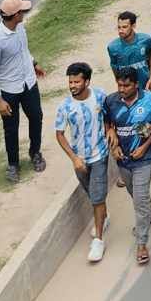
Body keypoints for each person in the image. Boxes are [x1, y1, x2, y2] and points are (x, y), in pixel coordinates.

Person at [103, 65, 151, 265]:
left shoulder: (150, 100)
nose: (122, 89)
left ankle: (142, 243)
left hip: (144, 159)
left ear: (136, 85)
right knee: (136, 195)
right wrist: (111, 137)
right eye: (119, 85)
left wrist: (145, 146)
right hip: (123, 160)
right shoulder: (111, 101)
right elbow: (108, 122)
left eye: (126, 86)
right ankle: (149, 210)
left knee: (139, 200)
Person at [53, 62, 112, 264]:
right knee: (92, 193)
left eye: (77, 81)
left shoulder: (100, 96)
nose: (73, 85)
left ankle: (98, 241)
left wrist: (110, 130)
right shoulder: (65, 107)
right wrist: (74, 158)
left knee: (96, 196)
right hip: (80, 160)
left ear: (87, 81)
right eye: (71, 82)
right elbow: (59, 135)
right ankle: (104, 215)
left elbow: (108, 116)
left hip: (100, 155)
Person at [0, 0, 45, 183]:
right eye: (22, 11)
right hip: (9, 90)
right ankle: (13, 164)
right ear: (15, 14)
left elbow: (24, 50)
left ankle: (35, 152)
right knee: (11, 128)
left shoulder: (20, 28)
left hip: (28, 83)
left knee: (36, 117)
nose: (24, 13)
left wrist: (34, 64)